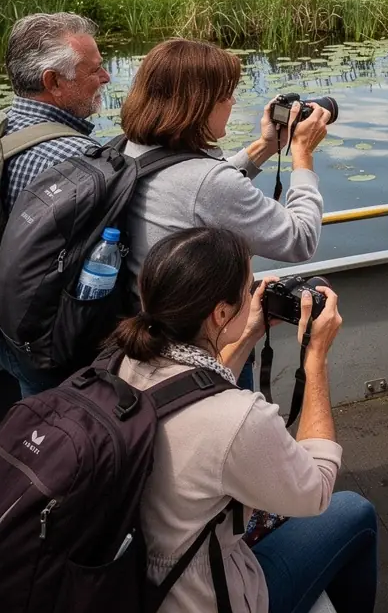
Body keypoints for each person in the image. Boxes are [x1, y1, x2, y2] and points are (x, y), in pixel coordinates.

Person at [112, 226, 377, 613]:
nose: (254, 293)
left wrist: (249, 330)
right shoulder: (236, 419)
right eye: (248, 287)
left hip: (130, 586)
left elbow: (189, 388)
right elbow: (316, 489)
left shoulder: (120, 364)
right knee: (354, 512)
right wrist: (316, 359)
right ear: (219, 313)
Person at [119, 38, 329, 389]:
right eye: (225, 95)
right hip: (203, 348)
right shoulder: (208, 183)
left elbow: (194, 186)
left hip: (147, 334)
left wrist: (266, 146)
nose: (233, 102)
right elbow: (300, 240)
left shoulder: (131, 148)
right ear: (198, 106)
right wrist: (302, 155)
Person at [0, 11, 110, 397]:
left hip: (9, 339)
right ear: (54, 82)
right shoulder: (80, 160)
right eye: (94, 70)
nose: (106, 78)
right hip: (63, 356)